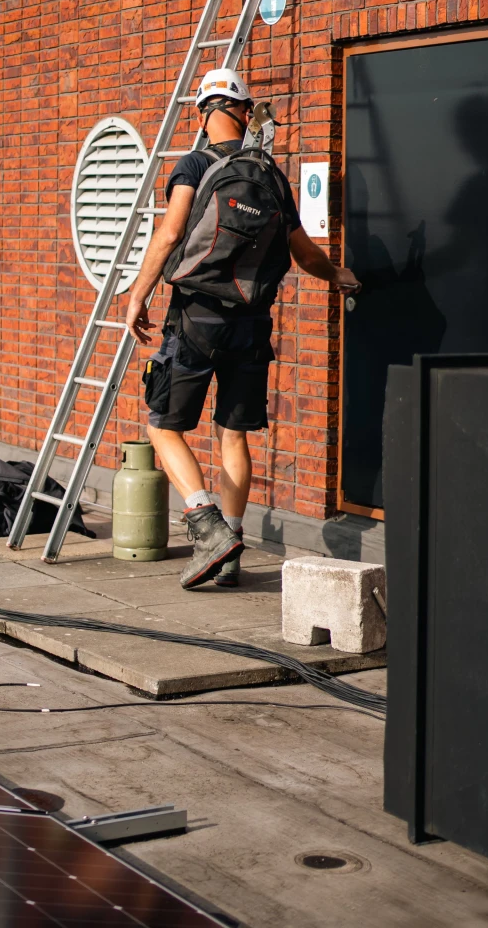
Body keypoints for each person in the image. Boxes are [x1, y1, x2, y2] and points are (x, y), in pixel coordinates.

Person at [124, 68, 360, 590]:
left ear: (203, 113)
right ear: (244, 111)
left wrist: (137, 293)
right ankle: (230, 553)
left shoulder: (194, 164)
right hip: (252, 323)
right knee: (232, 434)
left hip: (196, 318)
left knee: (163, 426)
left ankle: (206, 528)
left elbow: (168, 235)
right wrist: (339, 274)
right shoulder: (271, 174)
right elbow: (302, 252)